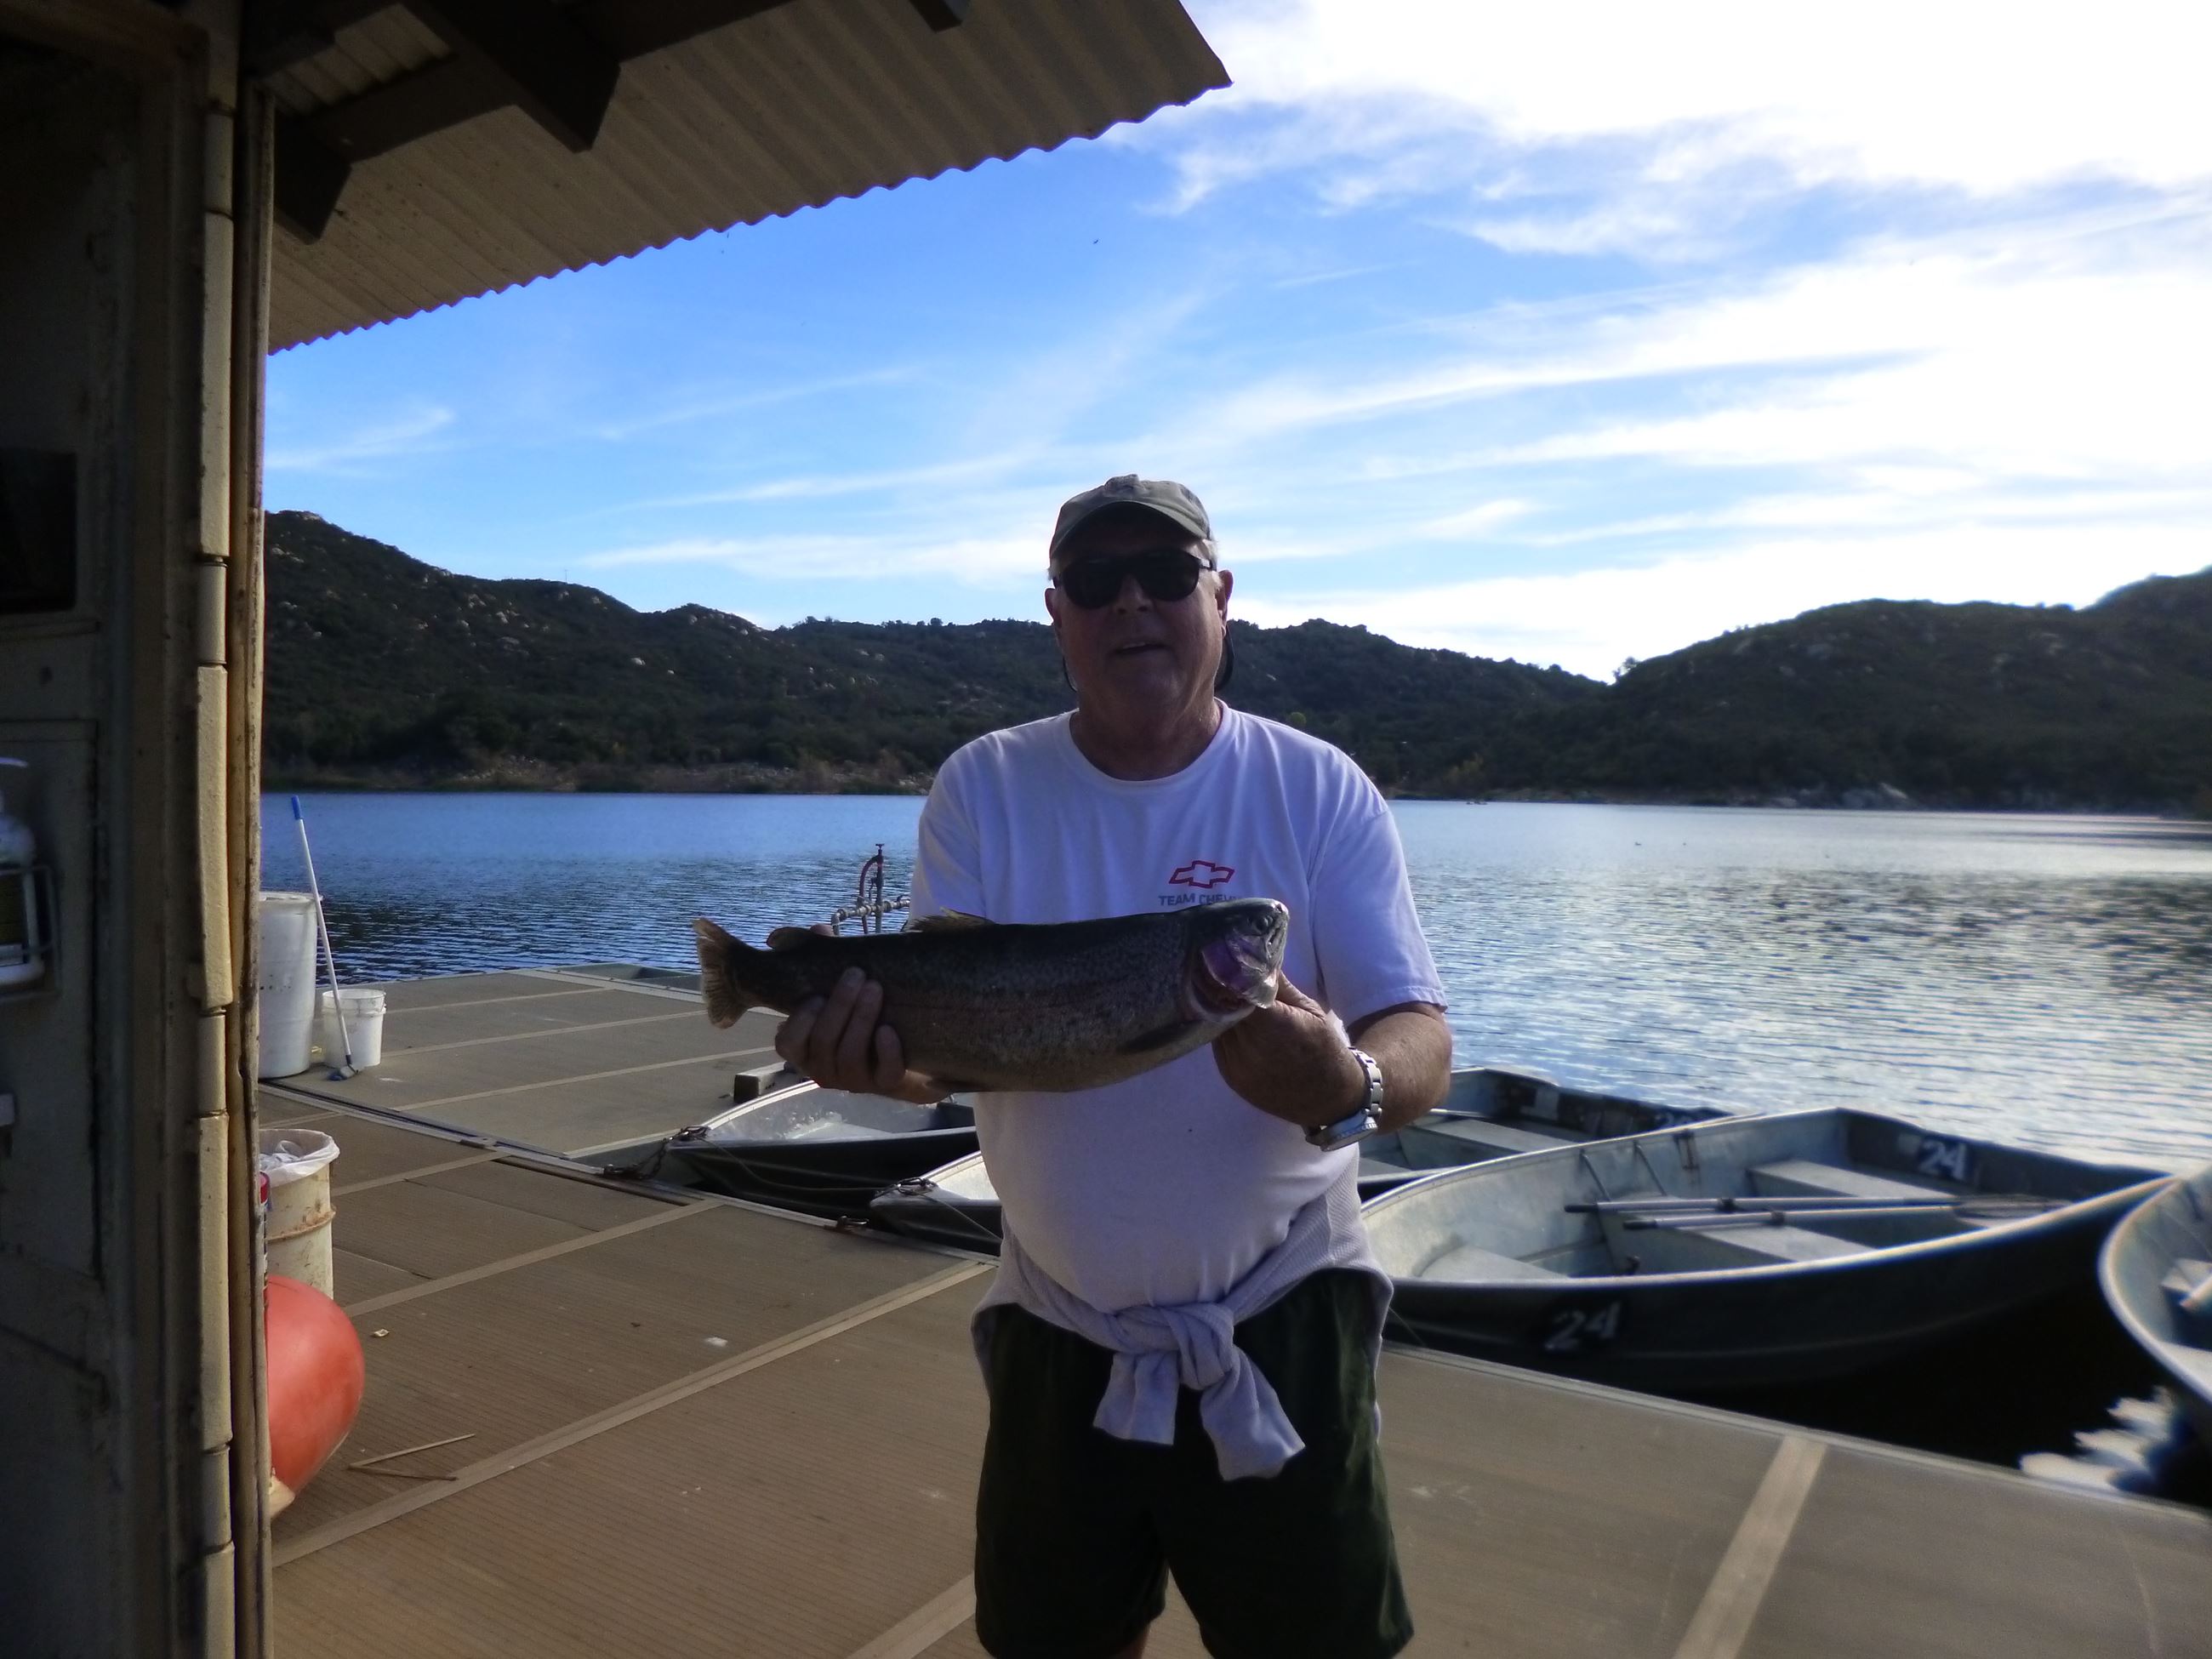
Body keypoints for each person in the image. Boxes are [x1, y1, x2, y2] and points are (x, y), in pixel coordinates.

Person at [776, 475, 1452, 1659]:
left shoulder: (1317, 786)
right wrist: (883, 1063)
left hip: (1281, 1320)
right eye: (1096, 580)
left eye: (1165, 574)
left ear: (1221, 596)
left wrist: (1350, 1086)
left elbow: (1420, 1036)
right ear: (1059, 613)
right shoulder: (984, 785)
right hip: (1058, 1321)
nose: (1131, 601)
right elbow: (947, 1058)